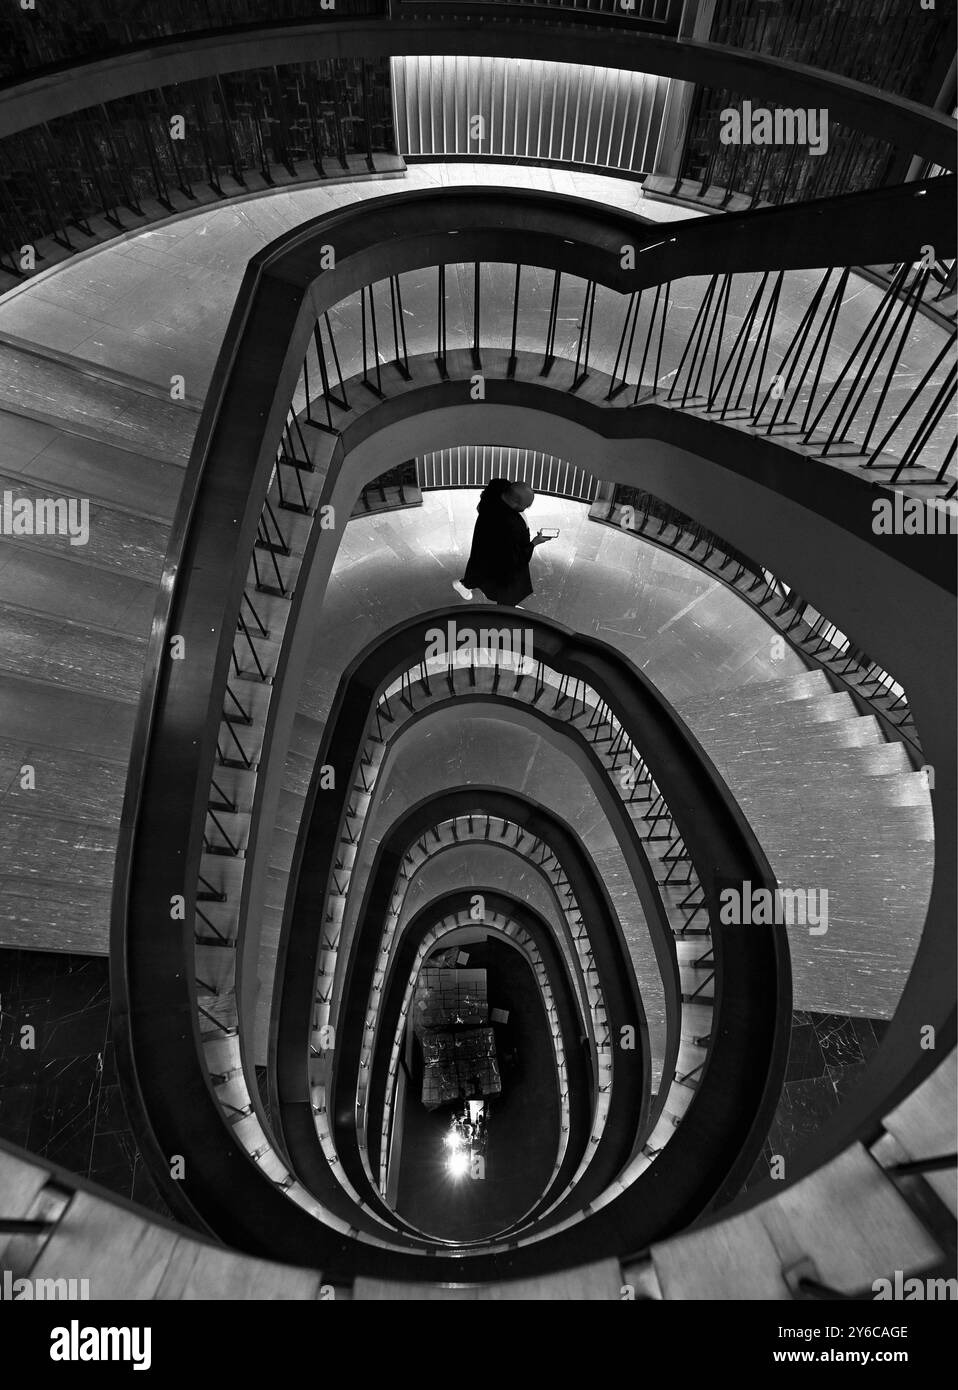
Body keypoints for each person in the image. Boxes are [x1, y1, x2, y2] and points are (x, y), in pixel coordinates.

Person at [453, 479, 554, 606]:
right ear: (515, 502)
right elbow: (516, 558)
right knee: (507, 586)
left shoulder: (498, 488)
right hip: (501, 554)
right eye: (526, 506)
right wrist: (535, 542)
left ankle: (465, 585)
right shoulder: (509, 526)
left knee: (479, 565)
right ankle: (507, 609)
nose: (526, 509)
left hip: (485, 540)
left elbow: (494, 485)